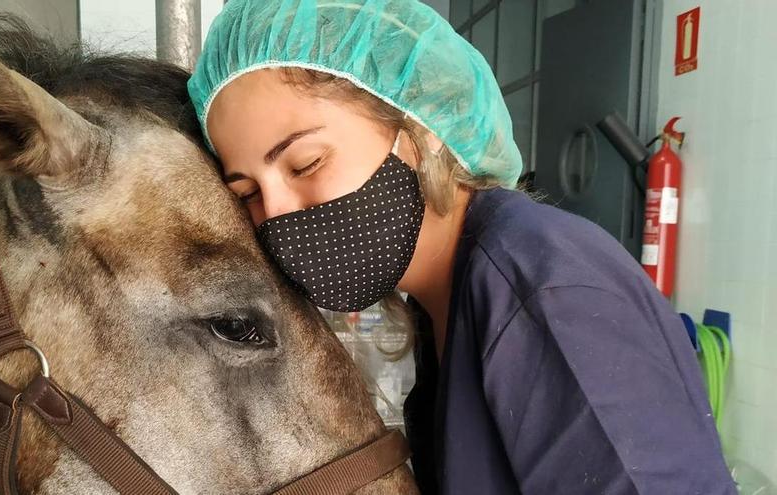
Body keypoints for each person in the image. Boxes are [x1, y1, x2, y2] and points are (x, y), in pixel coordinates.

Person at [187, 0, 736, 493]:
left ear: (418, 129)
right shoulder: (442, 302)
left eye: (306, 163)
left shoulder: (541, 287)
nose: (279, 214)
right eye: (249, 193)